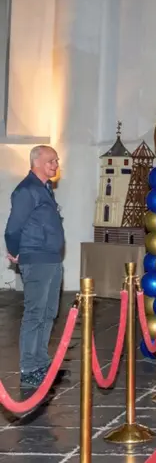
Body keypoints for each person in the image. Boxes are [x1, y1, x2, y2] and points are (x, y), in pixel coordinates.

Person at [4, 145, 65, 388]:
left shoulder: (45, 189)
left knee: (49, 313)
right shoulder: (27, 190)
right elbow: (13, 227)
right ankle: (29, 369)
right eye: (51, 160)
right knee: (34, 314)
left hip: (51, 258)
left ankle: (41, 362)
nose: (56, 164)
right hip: (36, 258)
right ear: (36, 162)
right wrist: (15, 251)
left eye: (57, 160)